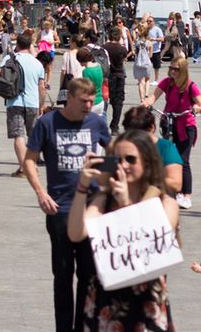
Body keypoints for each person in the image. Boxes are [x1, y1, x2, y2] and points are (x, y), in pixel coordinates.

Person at [23, 77, 111, 332]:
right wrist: (40, 192)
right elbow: (30, 160)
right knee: (62, 277)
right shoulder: (47, 123)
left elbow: (114, 155)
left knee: (88, 275)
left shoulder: (96, 122)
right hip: (59, 209)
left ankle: (82, 326)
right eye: (83, 101)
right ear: (69, 98)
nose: (88, 106)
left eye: (91, 101)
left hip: (91, 209)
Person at [68, 130, 179, 330]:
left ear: (147, 162)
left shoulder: (165, 202)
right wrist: (83, 186)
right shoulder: (104, 200)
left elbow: (150, 243)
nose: (123, 165)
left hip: (146, 301)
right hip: (107, 300)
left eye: (131, 159)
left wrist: (126, 203)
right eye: (118, 159)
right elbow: (76, 233)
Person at [144, 56, 201, 209]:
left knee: (183, 160)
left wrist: (197, 108)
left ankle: (186, 195)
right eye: (170, 68)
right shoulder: (167, 82)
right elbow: (154, 96)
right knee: (166, 158)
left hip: (186, 125)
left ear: (183, 71)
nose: (172, 71)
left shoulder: (191, 86)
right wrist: (145, 103)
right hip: (168, 122)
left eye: (176, 69)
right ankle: (170, 191)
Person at [1, 31, 47, 177]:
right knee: (33, 136)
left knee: (18, 135)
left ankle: (23, 168)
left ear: (17, 45)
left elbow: (1, 75)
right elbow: (42, 87)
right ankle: (32, 165)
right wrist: (41, 105)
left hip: (14, 101)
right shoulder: (37, 63)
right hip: (33, 102)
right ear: (30, 45)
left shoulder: (10, 58)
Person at [121, 105, 183, 195]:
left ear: (151, 128)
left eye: (140, 133)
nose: (136, 138)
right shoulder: (121, 147)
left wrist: (141, 180)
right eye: (131, 132)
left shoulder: (165, 147)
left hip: (157, 200)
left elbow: (176, 183)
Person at [103, 27, 129, 133]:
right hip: (119, 75)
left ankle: (102, 123)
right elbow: (124, 58)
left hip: (107, 75)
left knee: (104, 99)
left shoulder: (104, 47)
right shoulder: (122, 49)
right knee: (118, 102)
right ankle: (114, 126)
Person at [79, 47, 105, 116]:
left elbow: (86, 88)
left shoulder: (86, 71)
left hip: (91, 102)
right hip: (100, 100)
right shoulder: (98, 66)